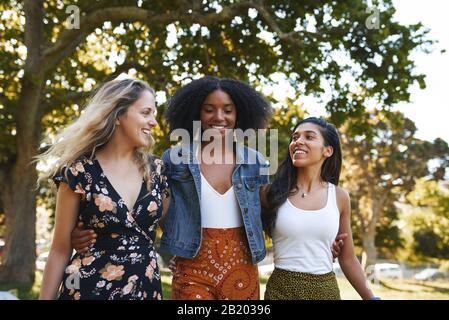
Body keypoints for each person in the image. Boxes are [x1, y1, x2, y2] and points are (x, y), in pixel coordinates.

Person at [71, 77, 345, 300]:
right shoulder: (174, 159)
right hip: (191, 267)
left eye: (228, 109)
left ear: (239, 114)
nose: (219, 117)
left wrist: (317, 238)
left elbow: (269, 214)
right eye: (209, 109)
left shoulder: (255, 162)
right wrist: (87, 231)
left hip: (242, 270)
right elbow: (148, 209)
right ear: (196, 113)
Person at [38, 78, 169, 300]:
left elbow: (175, 228)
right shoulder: (79, 171)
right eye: (146, 113)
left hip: (145, 291)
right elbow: (60, 250)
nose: (153, 122)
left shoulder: (157, 170)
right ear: (118, 115)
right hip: (87, 290)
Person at [261, 117, 377, 300]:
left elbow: (347, 259)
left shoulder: (339, 197)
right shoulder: (270, 193)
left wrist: (371, 298)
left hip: (326, 291)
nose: (298, 141)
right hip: (280, 291)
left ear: (327, 150)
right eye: (295, 137)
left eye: (309, 137)